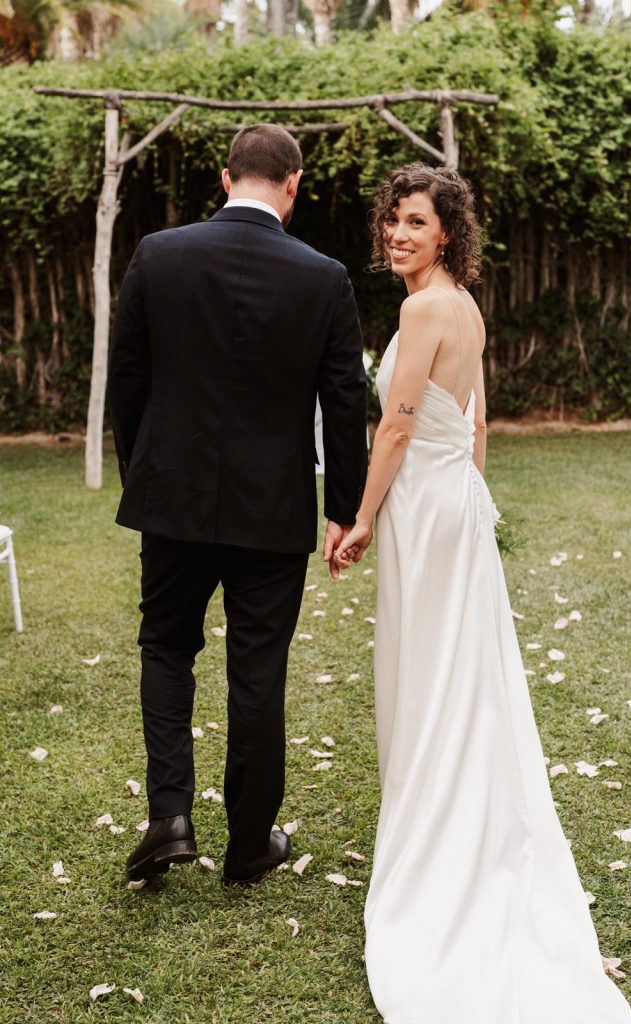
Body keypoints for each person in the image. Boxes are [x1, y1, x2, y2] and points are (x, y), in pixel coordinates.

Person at [334, 164, 631, 1023]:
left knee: (430, 669)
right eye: (392, 220)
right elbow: (475, 419)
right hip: (455, 505)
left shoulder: (423, 309)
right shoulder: (465, 305)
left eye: (416, 223)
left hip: (426, 509)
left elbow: (394, 425)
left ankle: (437, 827)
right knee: (460, 667)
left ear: (447, 233)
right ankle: (458, 806)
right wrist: (475, 499)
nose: (398, 234)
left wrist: (360, 518)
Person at [108, 124, 367, 886]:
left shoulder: (159, 254)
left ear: (227, 179)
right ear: (292, 185)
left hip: (173, 501)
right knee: (258, 669)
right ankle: (250, 843)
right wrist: (343, 506)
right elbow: (344, 399)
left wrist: (144, 476)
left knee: (166, 646)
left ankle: (169, 818)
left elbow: (129, 378)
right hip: (274, 508)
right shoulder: (325, 276)